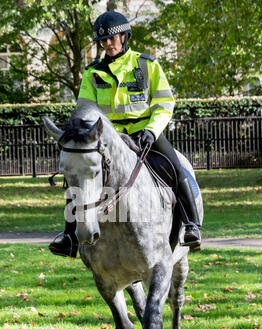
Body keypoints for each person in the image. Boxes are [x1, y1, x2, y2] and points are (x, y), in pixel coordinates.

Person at [49, 11, 201, 257]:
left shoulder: (146, 65)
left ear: (124, 36)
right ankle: (69, 236)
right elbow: (85, 110)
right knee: (77, 176)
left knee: (175, 168)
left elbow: (164, 104)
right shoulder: (92, 73)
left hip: (145, 133)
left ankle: (191, 225)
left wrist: (152, 131)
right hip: (108, 140)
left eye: (113, 38)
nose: (108, 44)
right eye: (103, 41)